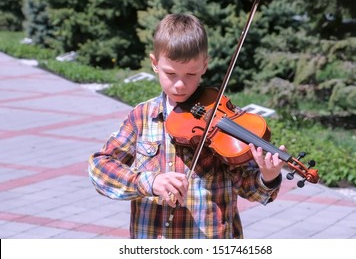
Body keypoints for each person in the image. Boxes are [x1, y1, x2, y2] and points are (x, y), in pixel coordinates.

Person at [88, 13, 286, 239]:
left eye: (191, 74)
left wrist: (268, 177)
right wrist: (149, 182)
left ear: (205, 65)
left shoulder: (224, 119)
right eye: (170, 74)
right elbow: (100, 168)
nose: (180, 85)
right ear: (154, 64)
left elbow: (251, 188)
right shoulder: (142, 116)